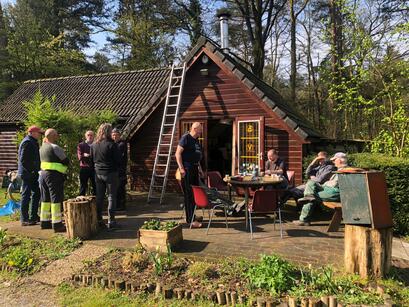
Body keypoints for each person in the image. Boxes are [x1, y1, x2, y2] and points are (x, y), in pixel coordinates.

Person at [292, 152, 348, 226]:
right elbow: (308, 172)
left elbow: (333, 184)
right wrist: (314, 162)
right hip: (327, 188)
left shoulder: (344, 170)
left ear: (340, 160)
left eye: (335, 160)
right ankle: (308, 197)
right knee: (311, 183)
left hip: (334, 192)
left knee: (311, 196)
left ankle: (304, 220)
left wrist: (326, 183)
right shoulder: (337, 169)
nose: (333, 161)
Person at [91, 123, 121, 229]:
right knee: (111, 197)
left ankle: (99, 220)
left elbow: (91, 159)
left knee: (99, 197)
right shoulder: (112, 144)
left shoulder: (94, 144)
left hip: (98, 173)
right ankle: (111, 221)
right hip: (110, 173)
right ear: (108, 132)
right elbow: (118, 160)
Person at [39, 129, 69, 232]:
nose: (58, 136)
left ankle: (44, 222)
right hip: (54, 175)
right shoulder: (55, 147)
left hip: (43, 175)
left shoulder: (42, 147)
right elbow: (66, 161)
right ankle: (57, 224)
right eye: (56, 134)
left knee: (45, 198)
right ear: (52, 136)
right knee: (56, 198)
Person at [175, 122, 204, 228]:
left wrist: (200, 168)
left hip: (194, 168)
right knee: (189, 194)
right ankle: (190, 220)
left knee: (195, 194)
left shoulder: (196, 140)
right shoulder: (185, 138)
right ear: (195, 129)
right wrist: (181, 168)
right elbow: (177, 153)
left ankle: (192, 215)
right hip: (187, 169)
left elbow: (196, 156)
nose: (201, 131)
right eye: (200, 129)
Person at [18, 125, 43, 226]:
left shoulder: (32, 141)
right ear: (32, 132)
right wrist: (32, 170)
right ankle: (24, 219)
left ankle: (33, 216)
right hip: (27, 174)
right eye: (38, 133)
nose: (40, 135)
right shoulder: (27, 142)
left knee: (36, 193)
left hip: (32, 173)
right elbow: (23, 160)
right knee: (26, 195)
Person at [112, 128, 127, 211]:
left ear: (119, 135)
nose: (114, 137)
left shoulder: (121, 144)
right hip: (115, 170)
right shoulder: (114, 144)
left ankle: (121, 205)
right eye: (113, 135)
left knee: (120, 187)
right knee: (116, 188)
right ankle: (118, 204)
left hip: (120, 170)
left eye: (116, 135)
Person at [77, 130, 96, 196]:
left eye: (91, 135)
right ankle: (81, 201)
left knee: (95, 186)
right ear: (85, 136)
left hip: (94, 168)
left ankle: (96, 203)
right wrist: (83, 155)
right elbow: (79, 157)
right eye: (88, 135)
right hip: (84, 167)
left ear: (94, 136)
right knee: (83, 186)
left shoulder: (96, 145)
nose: (90, 136)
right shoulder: (81, 145)